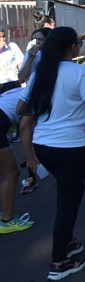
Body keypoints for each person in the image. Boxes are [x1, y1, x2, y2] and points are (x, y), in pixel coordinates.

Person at [17, 27, 85, 281]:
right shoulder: (79, 72)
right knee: (68, 204)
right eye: (77, 44)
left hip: (43, 145)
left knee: (65, 196)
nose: (80, 47)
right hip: (70, 147)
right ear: (71, 48)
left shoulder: (41, 72)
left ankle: (67, 242)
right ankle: (59, 262)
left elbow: (22, 107)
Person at [0, 87, 34, 234]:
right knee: (11, 174)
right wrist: (30, 158)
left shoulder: (23, 89)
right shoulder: (38, 94)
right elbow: (24, 129)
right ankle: (7, 221)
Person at [0, 27, 24, 94]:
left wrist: (23, 81)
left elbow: (20, 63)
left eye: (3, 36)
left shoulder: (12, 46)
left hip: (12, 81)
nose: (2, 39)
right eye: (0, 37)